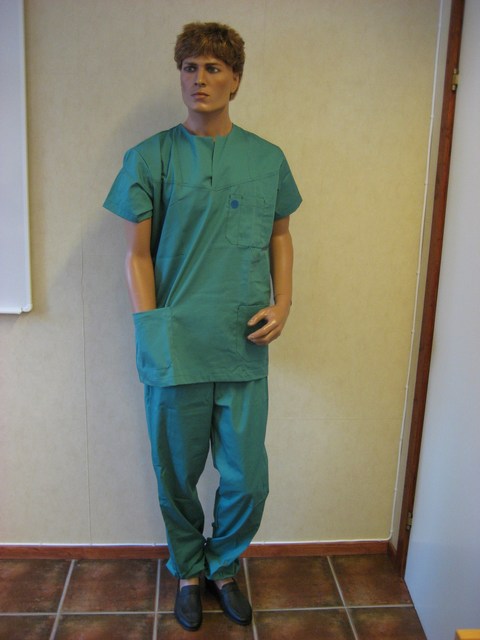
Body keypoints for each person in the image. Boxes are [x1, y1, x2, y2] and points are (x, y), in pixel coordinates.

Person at [104, 21, 302, 632]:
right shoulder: (151, 157)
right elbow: (137, 254)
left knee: (248, 480)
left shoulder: (267, 159)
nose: (199, 79)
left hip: (243, 342)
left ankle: (224, 564)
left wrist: (284, 303)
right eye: (190, 67)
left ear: (236, 80)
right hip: (175, 343)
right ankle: (189, 570)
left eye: (213, 68)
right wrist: (151, 325)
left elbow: (281, 236)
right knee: (177, 475)